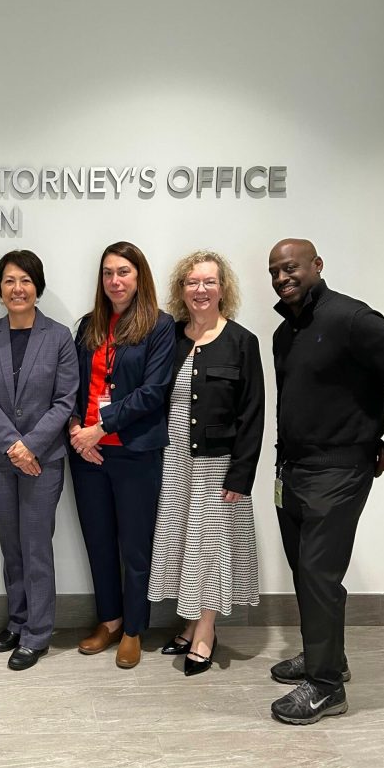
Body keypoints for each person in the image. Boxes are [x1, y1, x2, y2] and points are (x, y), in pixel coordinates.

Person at [267, 238, 384, 723]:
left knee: (319, 573)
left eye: (291, 267)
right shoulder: (285, 333)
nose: (282, 278)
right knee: (305, 571)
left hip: (339, 470)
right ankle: (327, 657)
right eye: (274, 271)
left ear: (317, 265)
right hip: (292, 471)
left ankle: (325, 688)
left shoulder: (354, 320)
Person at [148, 251, 264, 675]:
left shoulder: (242, 341)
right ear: (182, 290)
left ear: (222, 289)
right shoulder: (171, 338)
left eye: (209, 282)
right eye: (192, 282)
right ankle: (191, 622)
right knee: (186, 545)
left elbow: (253, 413)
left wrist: (241, 475)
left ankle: (205, 632)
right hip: (175, 459)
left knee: (210, 549)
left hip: (218, 465)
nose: (201, 290)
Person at [70, 241, 174, 669]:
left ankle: (133, 629)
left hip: (134, 453)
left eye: (124, 272)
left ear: (139, 276)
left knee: (134, 546)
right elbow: (71, 384)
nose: (115, 281)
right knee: (97, 541)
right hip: (88, 455)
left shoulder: (160, 325)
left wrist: (101, 427)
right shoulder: (88, 325)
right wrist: (76, 429)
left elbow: (154, 391)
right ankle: (109, 621)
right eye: (108, 273)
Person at [0, 250, 78, 670]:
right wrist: (13, 446)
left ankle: (37, 633)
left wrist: (30, 445)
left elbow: (65, 399)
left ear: (38, 287)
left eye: (26, 280)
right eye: (10, 281)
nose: (18, 289)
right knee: (11, 545)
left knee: (36, 547)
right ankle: (17, 620)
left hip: (43, 459)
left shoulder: (59, 336)